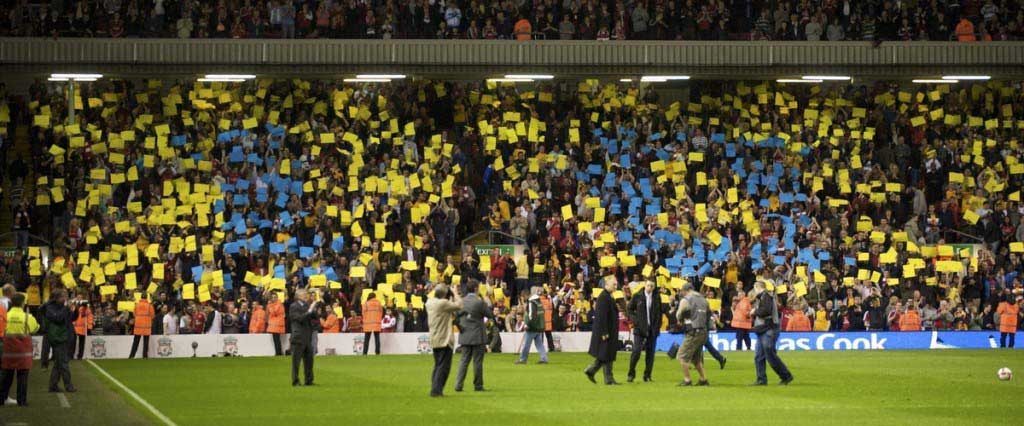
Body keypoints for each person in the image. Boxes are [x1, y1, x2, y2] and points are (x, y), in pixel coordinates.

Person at [752, 281, 793, 386]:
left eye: (754, 288)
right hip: (763, 330)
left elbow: (765, 311)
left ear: (758, 287)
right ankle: (761, 379)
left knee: (769, 355)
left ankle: (786, 376)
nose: (754, 291)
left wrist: (754, 312)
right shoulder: (764, 297)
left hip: (769, 329)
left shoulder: (766, 296)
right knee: (759, 356)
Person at [0, 293, 38, 406]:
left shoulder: (6, 315)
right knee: (22, 377)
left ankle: (1, 398)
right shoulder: (28, 317)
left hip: (8, 352)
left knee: (6, 376)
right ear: (23, 303)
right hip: (23, 353)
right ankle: (21, 401)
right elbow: (35, 328)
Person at [426, 284, 463, 397]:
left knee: (438, 365)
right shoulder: (442, 303)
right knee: (444, 367)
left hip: (434, 337)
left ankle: (435, 388)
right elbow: (460, 305)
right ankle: (436, 391)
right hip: (444, 339)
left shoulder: (429, 302)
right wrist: (455, 292)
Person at [455, 280, 492, 392]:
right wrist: (485, 299)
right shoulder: (479, 302)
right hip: (477, 336)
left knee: (464, 361)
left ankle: (458, 385)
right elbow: (489, 314)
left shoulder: (461, 302)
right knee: (477, 362)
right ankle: (478, 385)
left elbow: (456, 317)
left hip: (465, 334)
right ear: (476, 288)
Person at [584, 278, 619, 385]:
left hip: (609, 330)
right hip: (606, 331)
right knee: (607, 355)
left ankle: (591, 371)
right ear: (606, 285)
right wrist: (604, 332)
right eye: (614, 284)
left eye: (616, 284)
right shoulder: (604, 297)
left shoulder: (607, 296)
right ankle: (608, 379)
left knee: (604, 355)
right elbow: (601, 317)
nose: (615, 286)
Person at [675, 282, 710, 386]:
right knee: (696, 359)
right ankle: (703, 379)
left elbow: (678, 315)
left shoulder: (686, 300)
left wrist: (682, 318)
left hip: (693, 331)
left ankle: (687, 380)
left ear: (686, 290)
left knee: (681, 356)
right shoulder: (704, 300)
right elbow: (709, 315)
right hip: (703, 331)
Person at [626, 280, 662, 382]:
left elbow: (659, 313)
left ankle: (647, 375)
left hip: (652, 330)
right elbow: (629, 309)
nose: (649, 287)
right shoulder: (637, 296)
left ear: (654, 287)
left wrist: (657, 327)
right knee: (636, 351)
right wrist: (635, 320)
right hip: (639, 329)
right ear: (644, 286)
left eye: (651, 286)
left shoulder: (656, 297)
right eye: (648, 285)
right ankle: (631, 373)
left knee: (650, 354)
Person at [44, 289, 78, 392]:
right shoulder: (50, 308)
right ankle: (69, 385)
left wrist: (75, 310)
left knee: (59, 362)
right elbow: (58, 318)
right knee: (63, 362)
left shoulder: (62, 307)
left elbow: (71, 318)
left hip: (65, 336)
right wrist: (66, 308)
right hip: (58, 338)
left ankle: (53, 385)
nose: (65, 299)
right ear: (57, 298)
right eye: (63, 297)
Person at [289, 289, 320, 386]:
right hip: (298, 336)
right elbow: (300, 319)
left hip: (307, 336)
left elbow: (315, 317)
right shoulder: (293, 306)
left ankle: (309, 380)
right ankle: (295, 380)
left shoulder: (307, 305)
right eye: (304, 294)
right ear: (298, 296)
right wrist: (309, 311)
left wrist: (314, 308)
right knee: (296, 361)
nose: (306, 296)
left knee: (309, 360)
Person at [515, 287, 549, 364]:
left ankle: (523, 359)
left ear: (525, 295)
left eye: (523, 297)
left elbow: (531, 315)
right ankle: (544, 359)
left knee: (526, 344)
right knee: (539, 344)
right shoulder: (538, 302)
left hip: (532, 327)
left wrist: (527, 324)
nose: (523, 299)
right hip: (539, 326)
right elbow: (542, 312)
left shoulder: (531, 302)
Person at [129, 294, 155, 359]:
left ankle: (132, 356)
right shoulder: (149, 306)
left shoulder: (137, 305)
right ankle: (145, 356)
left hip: (138, 326)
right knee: (146, 342)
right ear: (147, 298)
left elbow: (134, 314)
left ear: (140, 298)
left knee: (135, 342)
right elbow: (152, 315)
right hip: (146, 326)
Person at [71, 292, 93, 360]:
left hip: (82, 327)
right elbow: (70, 315)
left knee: (81, 343)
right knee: (72, 342)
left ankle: (80, 356)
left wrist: (89, 326)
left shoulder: (85, 307)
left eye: (80, 298)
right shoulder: (73, 306)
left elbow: (90, 316)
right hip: (74, 327)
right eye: (78, 297)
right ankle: (71, 355)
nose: (79, 299)